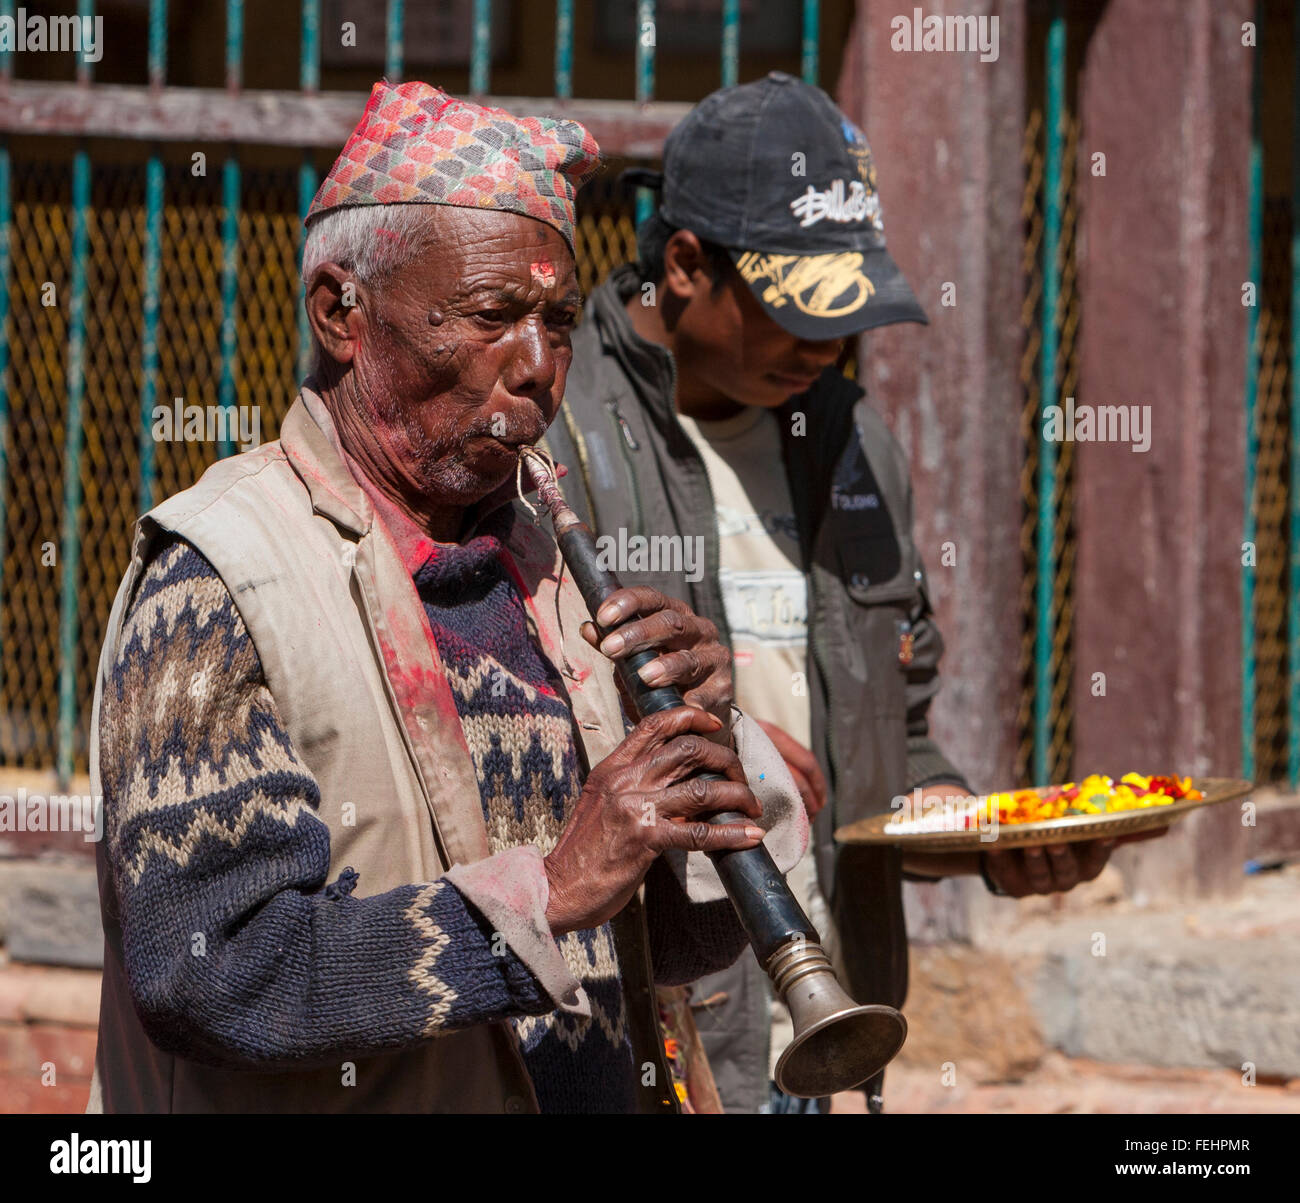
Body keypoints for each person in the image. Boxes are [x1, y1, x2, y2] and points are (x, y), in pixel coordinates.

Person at [86, 80, 808, 1114]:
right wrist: (549, 893)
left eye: (559, 321)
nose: (537, 367)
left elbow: (669, 944)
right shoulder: (217, 578)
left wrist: (710, 760)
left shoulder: (553, 573)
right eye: (490, 317)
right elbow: (211, 973)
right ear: (342, 312)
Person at [546, 72, 1120, 1114]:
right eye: (793, 311)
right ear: (683, 265)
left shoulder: (854, 443)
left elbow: (891, 725)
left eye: (846, 315)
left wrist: (967, 829)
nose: (825, 347)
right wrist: (729, 746)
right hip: (655, 1025)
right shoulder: (560, 430)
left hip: (834, 1021)